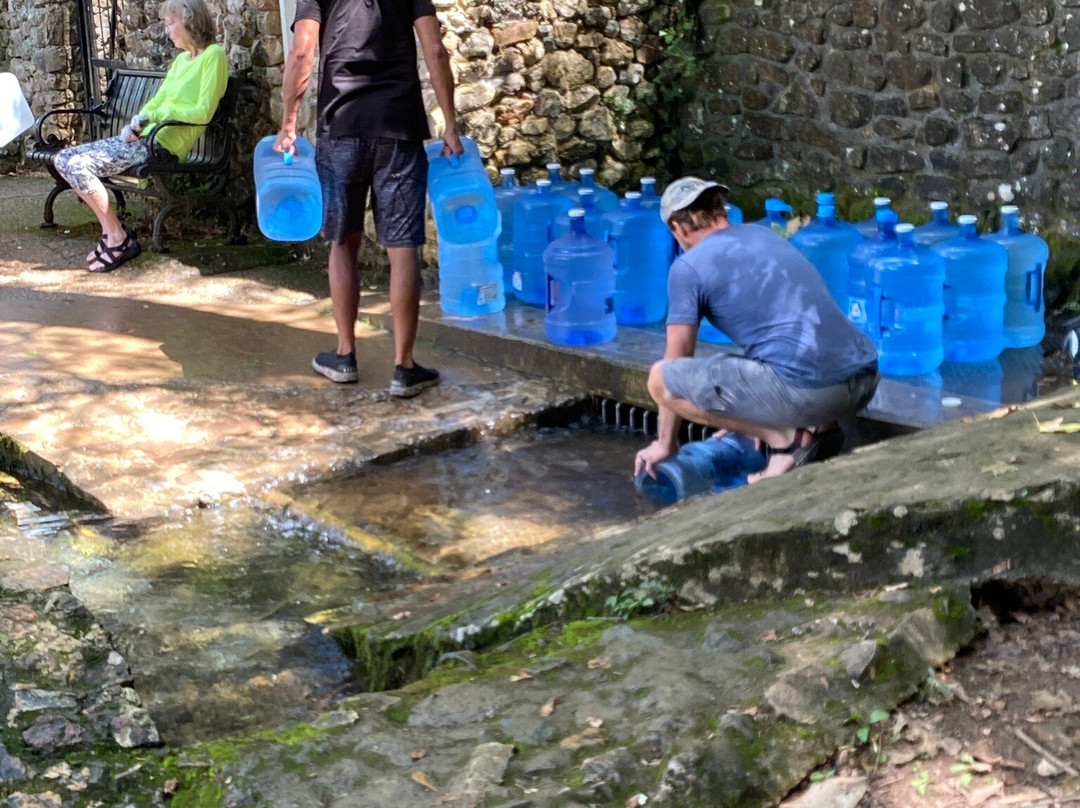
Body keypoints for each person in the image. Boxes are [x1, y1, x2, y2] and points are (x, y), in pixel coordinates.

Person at [634, 177, 880, 483]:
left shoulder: (688, 267)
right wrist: (742, 416)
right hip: (865, 379)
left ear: (678, 228)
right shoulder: (763, 235)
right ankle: (813, 431)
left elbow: (676, 360)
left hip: (813, 394)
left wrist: (665, 443)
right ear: (721, 212)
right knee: (765, 358)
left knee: (660, 380)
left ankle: (787, 440)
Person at [274, 0, 462, 397]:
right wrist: (450, 125)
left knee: (343, 242)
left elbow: (303, 51)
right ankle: (404, 368)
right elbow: (435, 50)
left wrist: (288, 124)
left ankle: (344, 356)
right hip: (399, 126)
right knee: (402, 246)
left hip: (340, 128)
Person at [54, 0, 228, 273]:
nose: (166, 29)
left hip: (163, 145)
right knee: (63, 157)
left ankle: (117, 238)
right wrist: (135, 123)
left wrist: (158, 117)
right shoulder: (182, 60)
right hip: (144, 138)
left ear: (190, 23)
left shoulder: (214, 56)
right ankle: (112, 234)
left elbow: (204, 111)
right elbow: (158, 101)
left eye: (171, 23)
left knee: (78, 165)